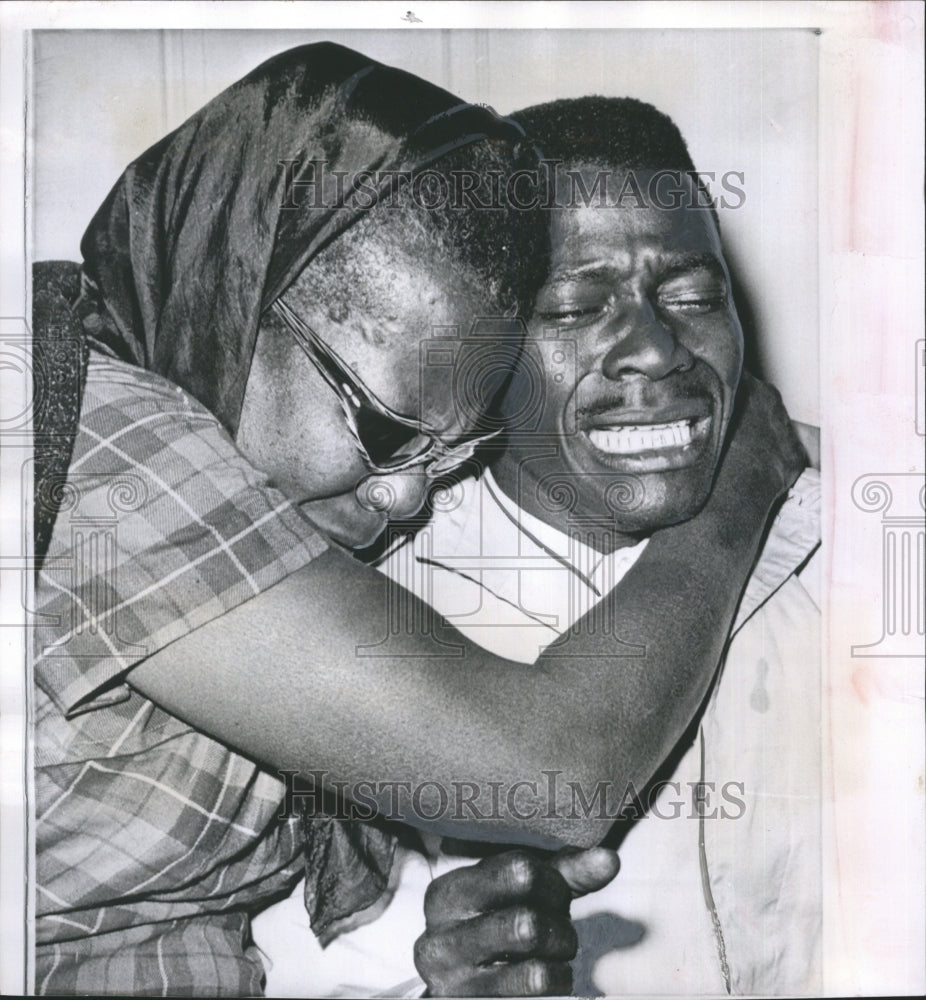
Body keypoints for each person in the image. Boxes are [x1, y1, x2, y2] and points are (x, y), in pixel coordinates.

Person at [32, 40, 803, 996]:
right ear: (238, 296)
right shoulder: (73, 430)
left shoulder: (297, 555)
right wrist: (741, 484)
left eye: (449, 453)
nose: (405, 497)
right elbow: (556, 781)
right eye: (386, 428)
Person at [253, 97, 821, 997]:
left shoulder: (857, 527)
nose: (655, 349)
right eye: (575, 307)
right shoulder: (364, 609)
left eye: (693, 296)